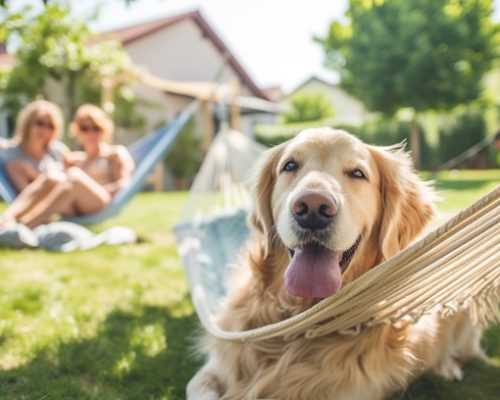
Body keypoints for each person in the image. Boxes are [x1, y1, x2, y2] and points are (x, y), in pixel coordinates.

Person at [0, 104, 134, 228]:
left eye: (96, 127)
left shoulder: (115, 153)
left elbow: (124, 184)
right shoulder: (76, 158)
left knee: (73, 176)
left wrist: (94, 188)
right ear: (77, 131)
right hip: (73, 204)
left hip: (100, 200)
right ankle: (6, 218)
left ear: (104, 129)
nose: (91, 133)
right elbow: (20, 147)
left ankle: (28, 226)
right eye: (85, 128)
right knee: (51, 177)